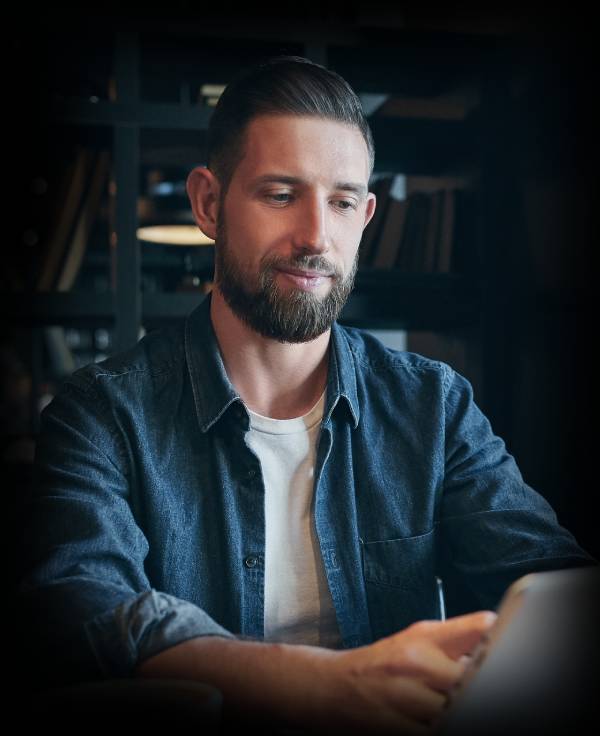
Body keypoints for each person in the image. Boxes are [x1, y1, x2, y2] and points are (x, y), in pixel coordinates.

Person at [17, 56, 592, 734]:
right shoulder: (101, 414)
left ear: (366, 215)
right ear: (208, 203)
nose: (317, 236)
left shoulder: (434, 408)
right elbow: (82, 610)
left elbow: (552, 588)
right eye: (281, 194)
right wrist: (323, 687)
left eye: (343, 201)